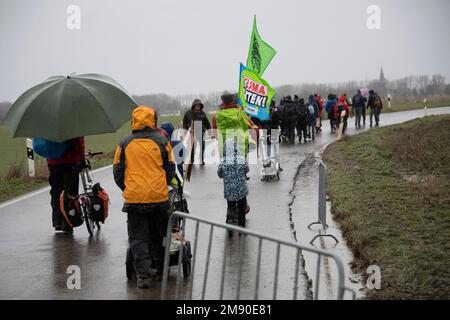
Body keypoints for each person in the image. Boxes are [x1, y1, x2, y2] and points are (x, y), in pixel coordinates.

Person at [113, 106, 176, 289]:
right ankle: (162, 270)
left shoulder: (124, 143)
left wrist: (129, 188)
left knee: (138, 237)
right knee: (161, 234)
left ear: (134, 121)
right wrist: (160, 184)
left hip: (135, 199)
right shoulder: (162, 141)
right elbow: (170, 167)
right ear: (152, 121)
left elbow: (117, 171)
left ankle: (143, 276)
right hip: (158, 197)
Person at [48, 137, 85, 233]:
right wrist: (82, 160)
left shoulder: (48, 124)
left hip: (53, 162)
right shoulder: (74, 124)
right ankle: (68, 222)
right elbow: (79, 142)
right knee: (70, 193)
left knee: (56, 191)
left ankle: (57, 221)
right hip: (70, 161)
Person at [218, 139, 250, 232]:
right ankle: (241, 226)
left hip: (229, 189)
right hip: (241, 189)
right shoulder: (241, 159)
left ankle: (230, 220)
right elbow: (247, 170)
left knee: (231, 206)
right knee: (241, 207)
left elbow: (219, 174)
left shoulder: (223, 161)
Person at [182, 99, 211, 165]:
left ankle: (201, 159)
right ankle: (192, 160)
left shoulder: (203, 113)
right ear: (194, 105)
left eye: (199, 105)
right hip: (192, 133)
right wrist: (185, 131)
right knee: (192, 148)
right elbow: (184, 123)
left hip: (201, 132)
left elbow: (207, 123)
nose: (198, 106)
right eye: (196, 105)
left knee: (202, 147)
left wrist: (210, 132)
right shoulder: (188, 113)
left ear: (201, 106)